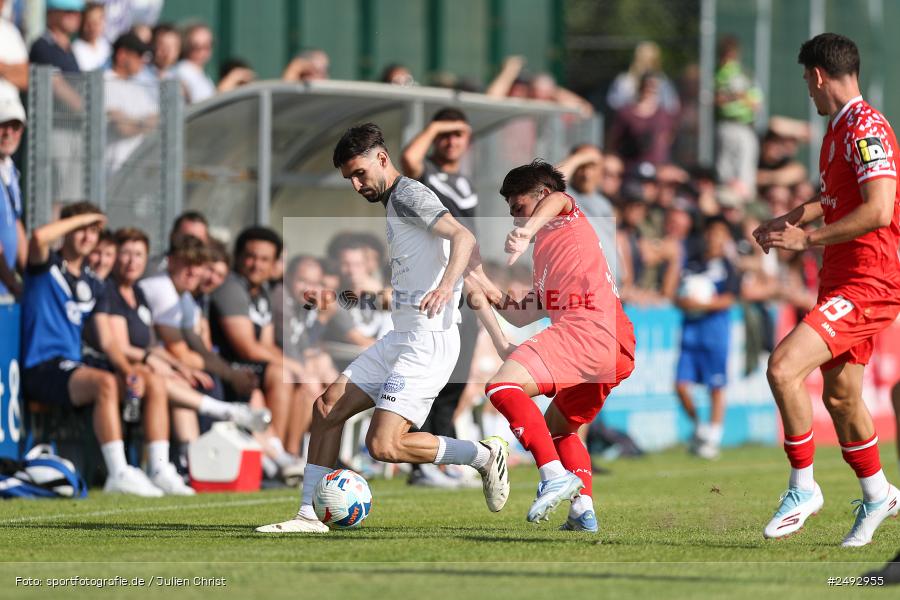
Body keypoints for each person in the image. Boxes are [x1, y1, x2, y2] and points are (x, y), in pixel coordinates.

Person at [256, 123, 510, 534]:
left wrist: (447, 288)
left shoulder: (409, 195)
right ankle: (308, 515)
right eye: (349, 179)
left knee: (383, 446)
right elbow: (457, 254)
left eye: (359, 173)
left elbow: (462, 237)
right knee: (326, 409)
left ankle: (481, 454)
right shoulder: (395, 201)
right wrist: (486, 303)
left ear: (381, 158)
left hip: (426, 343)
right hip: (401, 337)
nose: (356, 185)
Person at [754, 33, 900, 546]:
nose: (808, 94)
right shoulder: (837, 131)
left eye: (805, 82)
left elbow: (879, 209)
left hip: (869, 280)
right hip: (841, 277)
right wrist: (793, 216)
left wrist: (806, 238)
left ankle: (803, 487)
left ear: (818, 75)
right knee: (840, 397)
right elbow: (837, 198)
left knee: (783, 367)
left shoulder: (866, 127)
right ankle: (880, 493)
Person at [467, 160, 636, 531]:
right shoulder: (547, 250)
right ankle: (582, 511)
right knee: (560, 429)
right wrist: (481, 282)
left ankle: (553, 476)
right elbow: (525, 313)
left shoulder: (563, 216)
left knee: (502, 387)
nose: (515, 219)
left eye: (519, 208)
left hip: (587, 329)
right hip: (613, 343)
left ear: (540, 196)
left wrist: (527, 230)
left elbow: (560, 198)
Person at [21, 202, 162, 496]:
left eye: (94, 231)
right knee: (105, 384)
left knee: (152, 382)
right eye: (80, 229)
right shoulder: (46, 265)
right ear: (68, 229)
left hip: (74, 367)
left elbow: (108, 340)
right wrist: (83, 218)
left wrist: (128, 370)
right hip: (43, 366)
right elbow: (37, 238)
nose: (87, 236)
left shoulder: (93, 284)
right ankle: (118, 473)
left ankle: (161, 469)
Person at [401, 107, 481, 488]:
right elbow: (409, 159)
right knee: (427, 374)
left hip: (465, 289)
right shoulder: (426, 176)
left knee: (456, 377)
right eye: (445, 135)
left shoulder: (466, 182)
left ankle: (444, 459)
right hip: (435, 287)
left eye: (458, 134)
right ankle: (420, 465)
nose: (451, 141)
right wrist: (433, 127)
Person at [674, 217, 740, 460]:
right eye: (712, 233)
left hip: (715, 333)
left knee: (716, 386)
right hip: (691, 332)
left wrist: (704, 303)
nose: (715, 238)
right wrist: (686, 302)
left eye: (721, 233)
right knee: (680, 385)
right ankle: (700, 427)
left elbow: (730, 298)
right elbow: (677, 296)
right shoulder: (692, 265)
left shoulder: (729, 267)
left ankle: (713, 436)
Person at [715, 35, 762, 201]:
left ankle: (740, 201)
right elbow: (718, 99)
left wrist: (740, 97)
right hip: (730, 124)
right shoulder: (721, 73)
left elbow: (756, 103)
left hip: (742, 125)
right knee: (729, 174)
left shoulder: (742, 73)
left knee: (740, 173)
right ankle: (731, 202)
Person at [104, 32, 158, 172]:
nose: (143, 61)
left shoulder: (137, 86)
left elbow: (158, 119)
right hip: (113, 172)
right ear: (122, 55)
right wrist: (145, 123)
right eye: (139, 55)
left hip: (138, 170)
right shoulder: (104, 83)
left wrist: (137, 123)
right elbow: (123, 128)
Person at [0, 87, 26, 300]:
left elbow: (16, 224)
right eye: (2, 125)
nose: (8, 133)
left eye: (14, 126)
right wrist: (11, 281)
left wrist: (30, 275)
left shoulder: (10, 171)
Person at [171, 23, 215, 104]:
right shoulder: (183, 69)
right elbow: (201, 104)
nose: (202, 51)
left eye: (207, 45)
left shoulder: (199, 72)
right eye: (196, 46)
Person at [0, 0, 29, 94]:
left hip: (10, 104)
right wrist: (13, 69)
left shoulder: (11, 32)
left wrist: (2, 67)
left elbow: (26, 79)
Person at [73, 2, 110, 72]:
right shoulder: (76, 49)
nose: (93, 27)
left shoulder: (106, 45)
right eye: (89, 22)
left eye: (98, 22)